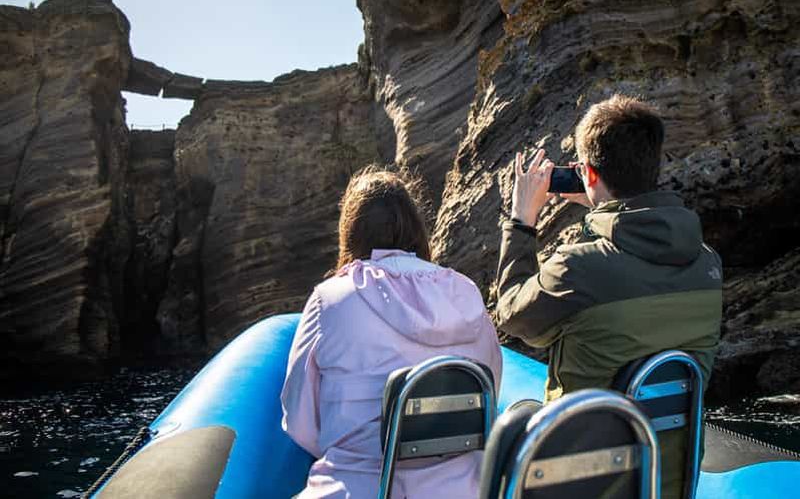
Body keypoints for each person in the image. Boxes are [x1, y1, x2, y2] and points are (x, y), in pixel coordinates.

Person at [495, 94, 722, 498]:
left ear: (588, 174)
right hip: (667, 484)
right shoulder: (708, 265)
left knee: (516, 422)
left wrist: (522, 222)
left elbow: (512, 314)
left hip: (582, 486)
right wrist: (604, 208)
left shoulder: (578, 269)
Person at [282, 165, 502, 499]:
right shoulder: (466, 292)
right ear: (417, 229)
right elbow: (489, 387)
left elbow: (299, 421)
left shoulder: (330, 299)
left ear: (351, 233)